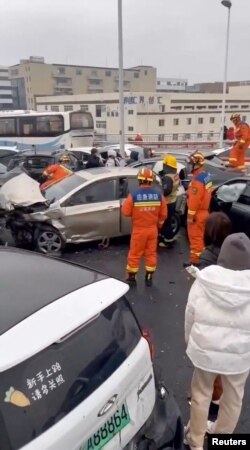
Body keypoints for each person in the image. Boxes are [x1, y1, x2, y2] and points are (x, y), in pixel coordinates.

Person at [184, 233, 250, 450]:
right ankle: (222, 440)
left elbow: (190, 316)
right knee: (233, 398)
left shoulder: (204, 280)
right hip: (240, 356)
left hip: (205, 351)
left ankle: (195, 442)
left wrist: (190, 343)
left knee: (201, 394)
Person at [122, 168, 167, 287]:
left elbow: (125, 212)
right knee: (151, 253)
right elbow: (163, 214)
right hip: (153, 230)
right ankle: (149, 277)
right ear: (151, 181)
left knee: (135, 253)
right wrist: (159, 224)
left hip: (139, 230)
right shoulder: (159, 196)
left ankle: (132, 278)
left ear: (140, 180)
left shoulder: (134, 195)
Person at [184, 152, 213, 267]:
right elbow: (205, 193)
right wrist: (189, 192)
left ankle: (195, 262)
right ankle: (201, 258)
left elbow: (194, 201)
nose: (189, 166)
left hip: (197, 214)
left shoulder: (197, 181)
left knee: (195, 238)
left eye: (190, 164)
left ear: (196, 165)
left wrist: (190, 217)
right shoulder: (206, 175)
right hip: (204, 212)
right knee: (201, 238)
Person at [158, 155, 180, 247]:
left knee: (166, 222)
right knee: (168, 221)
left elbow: (166, 191)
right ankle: (166, 237)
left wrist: (160, 190)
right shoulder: (175, 175)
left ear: (167, 165)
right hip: (173, 200)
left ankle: (168, 242)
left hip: (167, 202)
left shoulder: (167, 177)